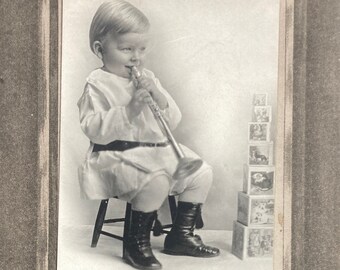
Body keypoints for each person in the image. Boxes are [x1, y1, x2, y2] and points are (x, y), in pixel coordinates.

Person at [77, 1, 220, 269]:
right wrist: (129, 111)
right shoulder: (96, 84)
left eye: (141, 49)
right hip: (115, 156)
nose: (136, 57)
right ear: (100, 49)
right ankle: (135, 245)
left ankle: (180, 236)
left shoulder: (148, 77)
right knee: (154, 181)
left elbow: (173, 120)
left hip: (156, 150)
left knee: (202, 172)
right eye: (126, 49)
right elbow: (93, 128)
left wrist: (157, 95)